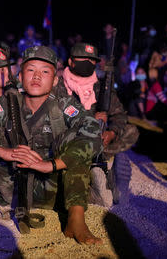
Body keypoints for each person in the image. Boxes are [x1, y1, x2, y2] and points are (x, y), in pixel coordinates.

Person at [0, 45, 103, 244]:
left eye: (45, 71)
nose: (37, 76)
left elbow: (93, 133)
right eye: (31, 70)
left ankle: (76, 219)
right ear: (20, 76)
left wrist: (50, 164)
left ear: (55, 80)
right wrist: (5, 152)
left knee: (77, 140)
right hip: (12, 186)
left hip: (55, 187)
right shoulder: (8, 103)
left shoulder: (64, 104)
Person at [57, 42, 138, 207]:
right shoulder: (59, 86)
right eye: (83, 58)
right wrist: (91, 119)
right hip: (71, 141)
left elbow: (120, 115)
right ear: (71, 61)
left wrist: (112, 133)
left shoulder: (101, 87)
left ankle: (112, 176)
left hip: (101, 141)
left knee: (130, 131)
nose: (87, 62)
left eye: (91, 59)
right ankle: (97, 179)